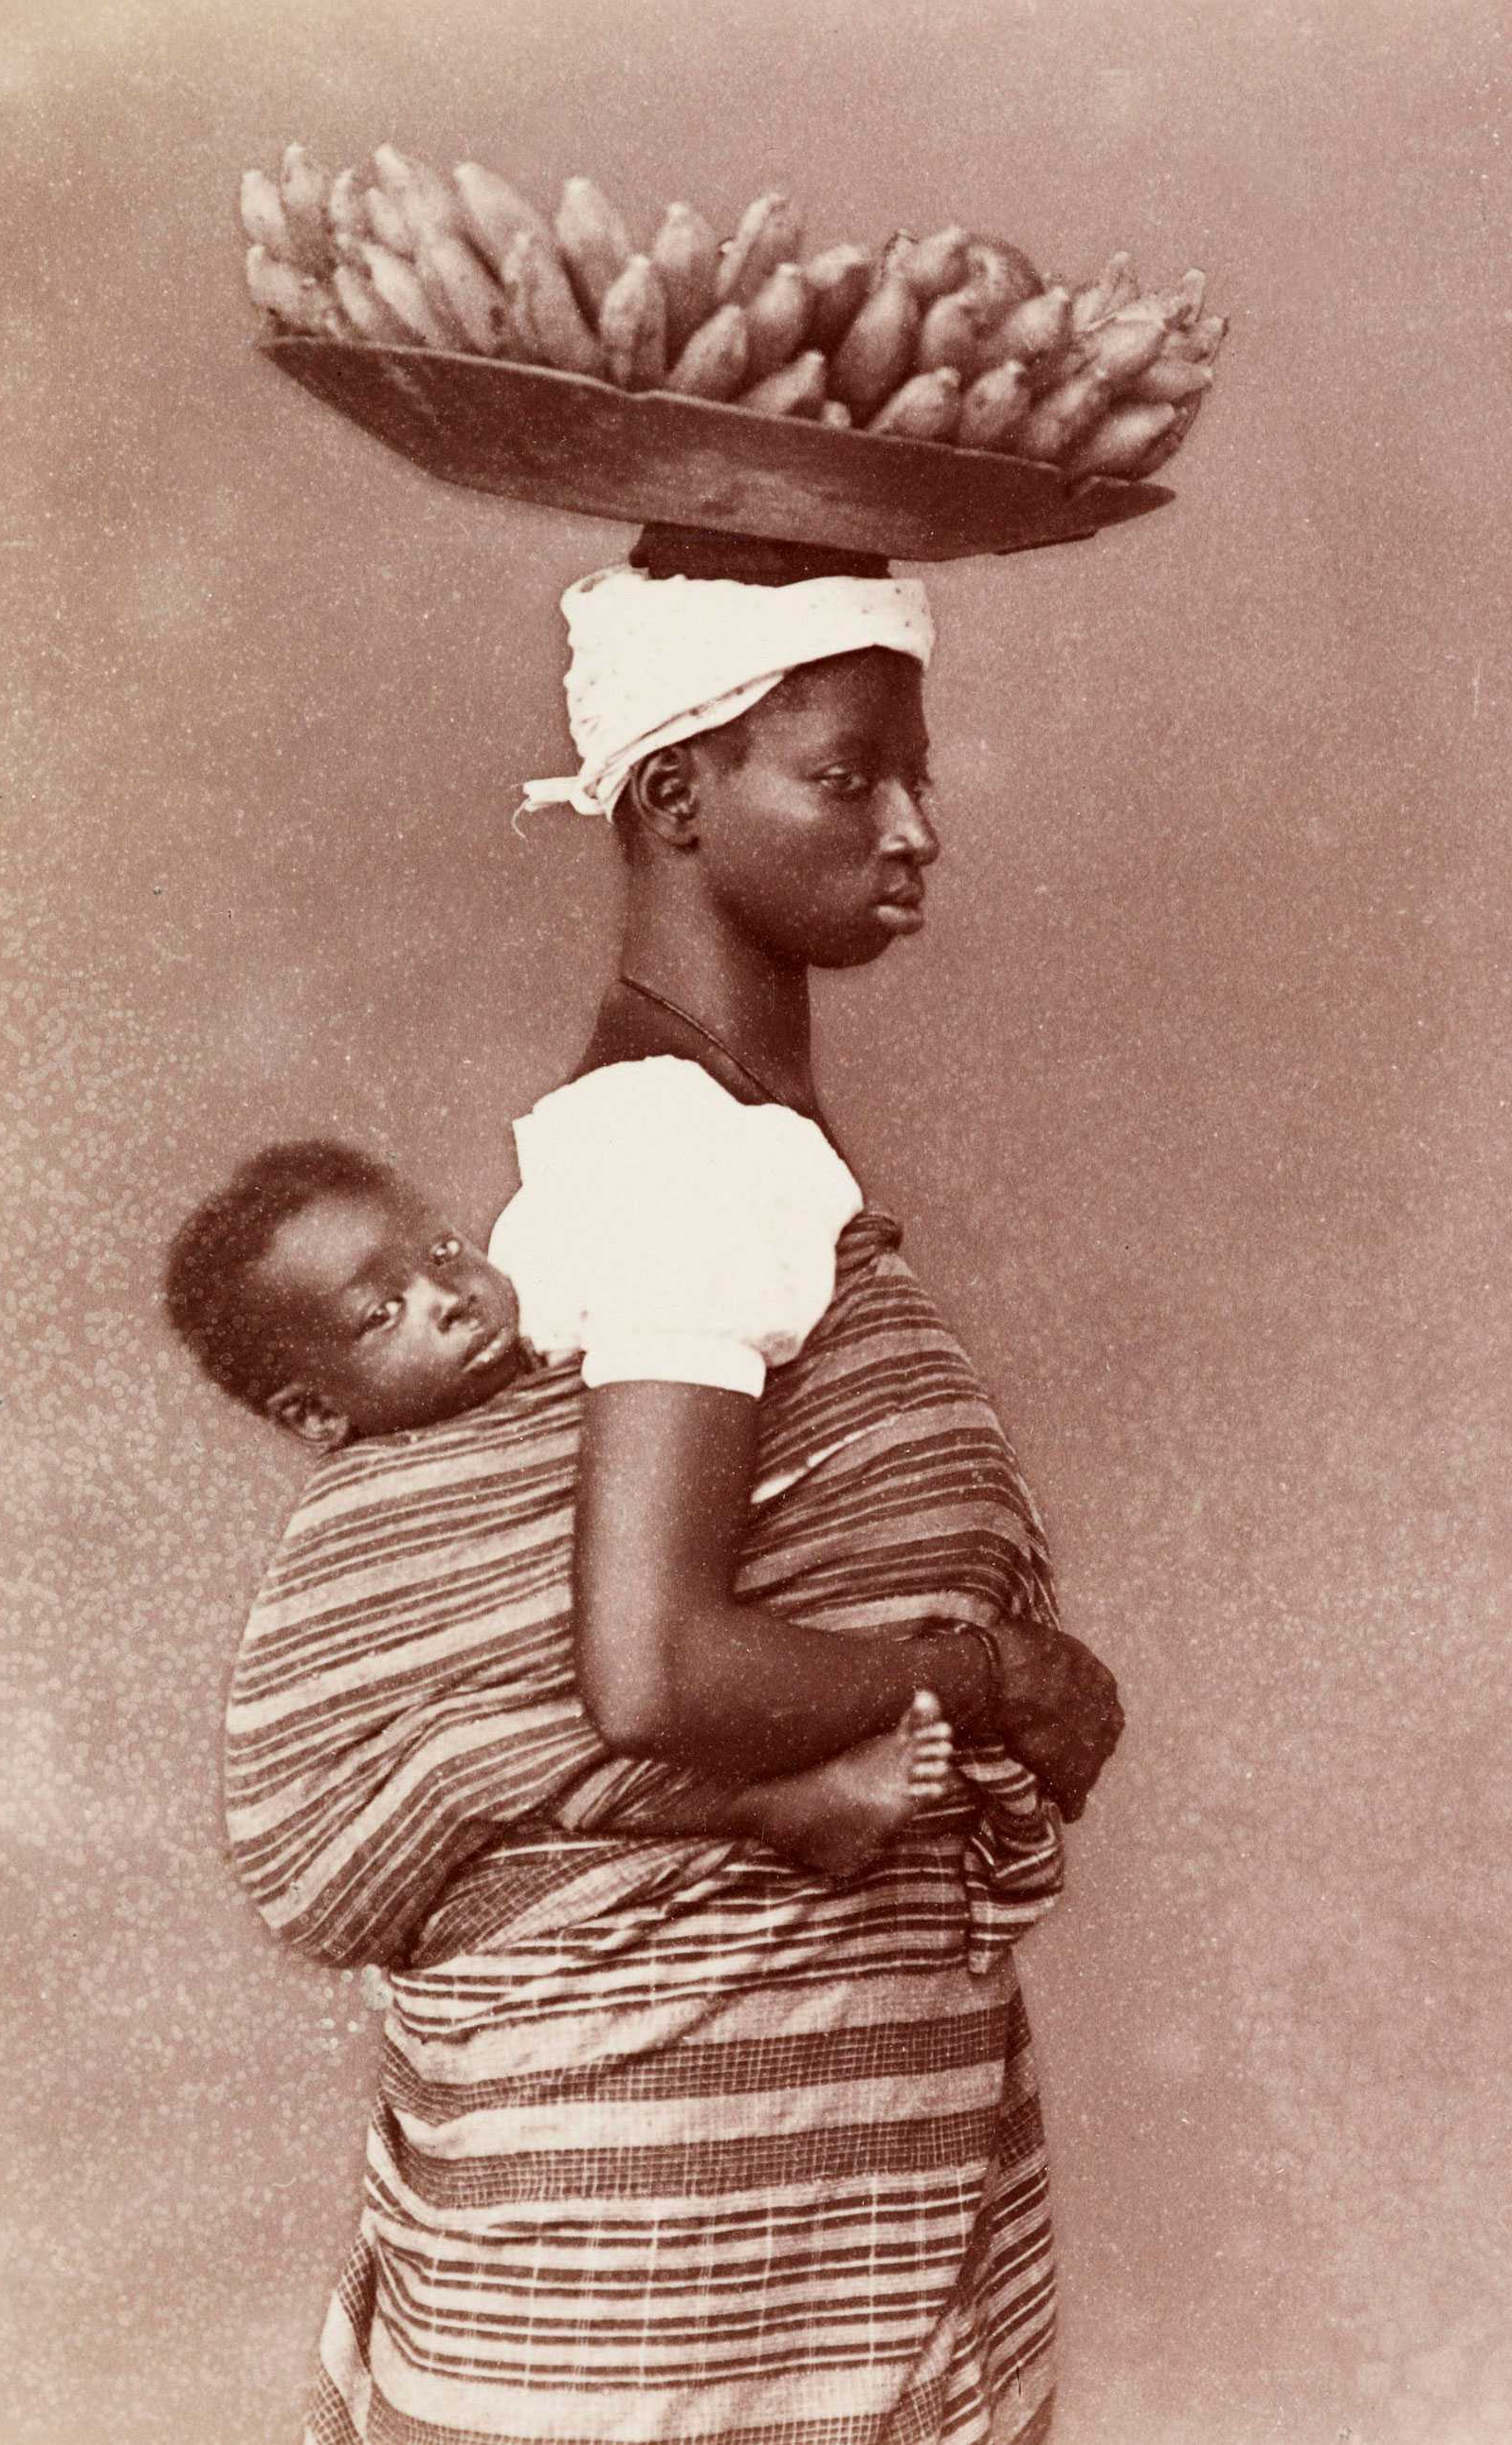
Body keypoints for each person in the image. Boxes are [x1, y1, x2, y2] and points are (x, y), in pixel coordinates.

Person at [218, 527, 1120, 2445]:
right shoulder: (676, 1153)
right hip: (656, 2222)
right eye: (847, 770)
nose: (914, 829)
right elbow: (649, 1668)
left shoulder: (723, 1139)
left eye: (917, 769)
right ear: (671, 791)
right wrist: (1011, 1678)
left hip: (755, 2190)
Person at [164, 1136, 961, 1891]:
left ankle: (784, 1799)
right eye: (383, 1311)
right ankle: (774, 1809)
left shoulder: (587, 1344)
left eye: (441, 1251)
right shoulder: (367, 1517)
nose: (450, 1296)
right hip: (440, 1787)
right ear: (313, 1414)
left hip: (592, 1737)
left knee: (610, 1695)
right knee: (477, 1751)